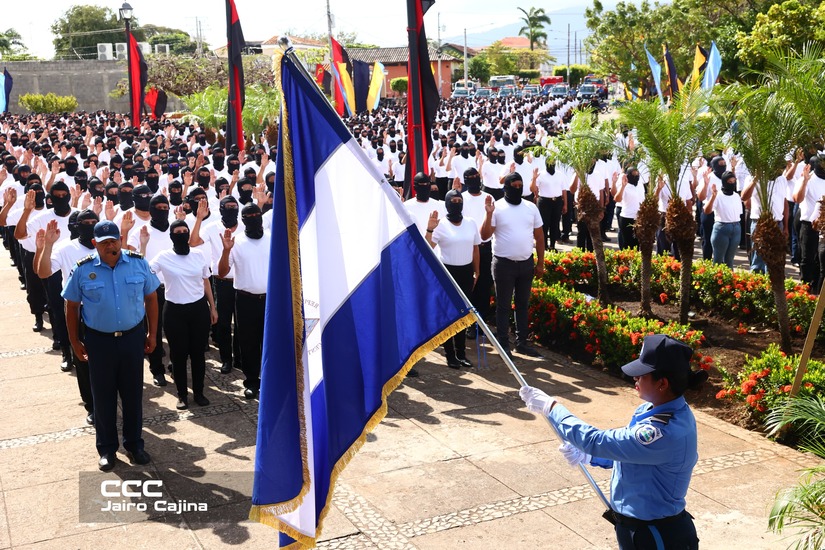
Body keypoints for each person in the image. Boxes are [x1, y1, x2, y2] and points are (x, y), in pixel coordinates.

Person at [520, 334, 708, 550]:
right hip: (640, 530)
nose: (635, 380)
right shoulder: (652, 409)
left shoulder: (662, 431)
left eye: (641, 375)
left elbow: (596, 440)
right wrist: (591, 457)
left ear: (662, 383)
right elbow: (632, 456)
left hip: (655, 537)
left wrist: (552, 408)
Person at [62, 220, 160, 471]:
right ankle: (106, 449)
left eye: (114, 241)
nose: (110, 246)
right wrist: (74, 341)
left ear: (120, 240)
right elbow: (71, 306)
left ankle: (135, 444)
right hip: (99, 341)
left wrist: (152, 334)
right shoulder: (82, 270)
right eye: (104, 243)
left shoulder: (138, 263)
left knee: (132, 394)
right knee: (103, 397)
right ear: (94, 244)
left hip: (131, 338)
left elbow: (151, 297)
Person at [149, 220, 217, 410]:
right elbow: (146, 272)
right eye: (177, 231)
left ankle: (199, 392)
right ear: (171, 235)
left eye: (184, 231)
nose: (181, 234)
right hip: (174, 311)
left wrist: (212, 307)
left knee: (198, 355)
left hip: (198, 310)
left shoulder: (198, 254)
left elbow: (205, 282)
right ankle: (181, 395)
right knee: (178, 356)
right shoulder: (163, 257)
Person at [480, 172, 545, 358]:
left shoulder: (531, 207)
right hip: (503, 264)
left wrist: (540, 263)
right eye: (514, 185)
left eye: (520, 185)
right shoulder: (497, 208)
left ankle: (521, 342)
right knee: (503, 305)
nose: (518, 189)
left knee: (522, 304)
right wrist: (488, 214)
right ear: (506, 187)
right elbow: (484, 236)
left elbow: (539, 237)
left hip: (526, 264)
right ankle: (503, 344)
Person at [218, 203, 270, 399]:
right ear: (243, 220)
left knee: (269, 342)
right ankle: (251, 382)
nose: (254, 217)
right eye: (249, 215)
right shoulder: (235, 242)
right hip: (246, 300)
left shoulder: (272, 238)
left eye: (257, 214)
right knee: (248, 342)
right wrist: (225, 251)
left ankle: (269, 380)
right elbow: (222, 272)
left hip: (269, 300)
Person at [425, 189, 480, 368]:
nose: (457, 203)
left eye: (459, 200)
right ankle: (450, 354)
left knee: (463, 314)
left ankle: (462, 353)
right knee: (449, 315)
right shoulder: (440, 225)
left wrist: (476, 271)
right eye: (453, 201)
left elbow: (475, 248)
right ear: (447, 203)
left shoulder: (471, 223)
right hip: (448, 272)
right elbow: (428, 248)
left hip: (466, 272)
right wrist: (430, 229)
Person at [704, 171, 743, 269]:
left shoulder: (736, 196)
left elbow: (739, 214)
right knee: (718, 260)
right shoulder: (718, 195)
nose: (732, 184)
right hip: (722, 228)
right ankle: (717, 282)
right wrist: (713, 197)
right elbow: (707, 211)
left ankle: (730, 283)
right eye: (730, 182)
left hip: (736, 228)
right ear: (725, 182)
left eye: (734, 181)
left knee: (730, 261)